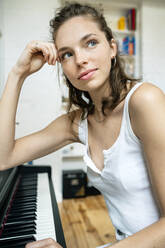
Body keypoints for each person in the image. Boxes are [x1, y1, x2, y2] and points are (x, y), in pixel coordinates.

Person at [0, 2, 165, 248]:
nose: (80, 60)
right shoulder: (77, 122)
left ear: (112, 48)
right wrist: (17, 74)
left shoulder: (144, 101)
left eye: (90, 43)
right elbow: (5, 157)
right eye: (67, 53)